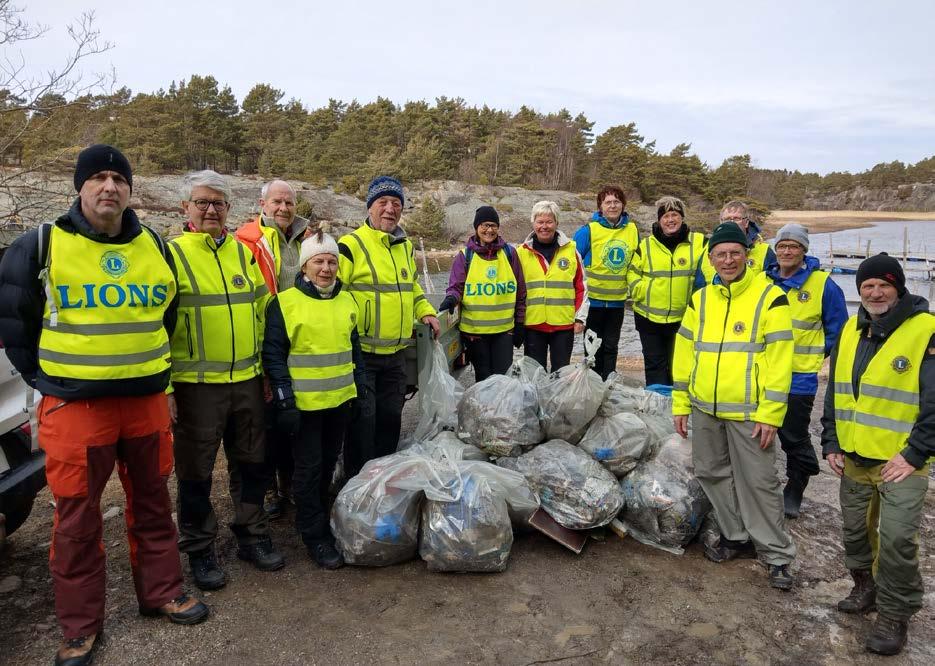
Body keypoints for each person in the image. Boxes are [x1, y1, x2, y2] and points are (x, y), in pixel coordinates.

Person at [0, 145, 208, 666]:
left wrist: (151, 372)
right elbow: (14, 322)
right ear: (80, 187)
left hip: (143, 403)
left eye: (118, 177)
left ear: (130, 189)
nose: (109, 186)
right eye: (97, 177)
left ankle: (161, 591)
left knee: (153, 500)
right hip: (75, 410)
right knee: (75, 519)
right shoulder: (42, 245)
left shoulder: (155, 246)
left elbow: (168, 313)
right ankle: (79, 626)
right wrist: (46, 380)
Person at [168, 170, 284, 591]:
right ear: (186, 209)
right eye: (202, 202)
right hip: (195, 387)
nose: (211, 209)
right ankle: (199, 548)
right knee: (196, 473)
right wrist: (166, 389)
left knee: (252, 462)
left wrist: (269, 370)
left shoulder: (243, 254)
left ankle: (251, 535)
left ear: (230, 209)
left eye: (218, 203)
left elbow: (264, 313)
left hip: (248, 381)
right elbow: (157, 327)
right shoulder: (172, 255)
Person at [820, 253, 935, 656]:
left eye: (883, 284)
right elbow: (836, 391)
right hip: (854, 457)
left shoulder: (926, 330)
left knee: (898, 539)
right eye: (867, 286)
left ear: (898, 287)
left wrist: (916, 453)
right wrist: (831, 441)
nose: (874, 291)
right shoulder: (852, 328)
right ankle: (864, 587)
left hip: (902, 463)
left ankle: (894, 614)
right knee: (854, 533)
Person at [672, 221, 796, 590]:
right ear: (710, 259)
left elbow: (780, 360)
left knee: (759, 482)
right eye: (721, 254)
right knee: (711, 473)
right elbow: (684, 353)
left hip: (749, 412)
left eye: (735, 253)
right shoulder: (701, 300)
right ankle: (735, 536)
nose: (728, 260)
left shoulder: (769, 296)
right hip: (705, 407)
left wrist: (770, 413)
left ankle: (776, 555)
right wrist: (680, 402)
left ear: (747, 256)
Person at [263, 230, 365, 569]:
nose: (326, 268)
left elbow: (355, 351)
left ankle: (320, 518)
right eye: (319, 261)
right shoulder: (285, 303)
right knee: (308, 470)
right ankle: (314, 535)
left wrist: (360, 389)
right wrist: (284, 401)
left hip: (339, 403)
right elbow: (274, 356)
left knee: (326, 466)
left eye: (332, 261)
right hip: (305, 408)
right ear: (305, 267)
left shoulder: (347, 301)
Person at [338, 176, 439, 478]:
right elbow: (334, 296)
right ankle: (354, 486)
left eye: (396, 203)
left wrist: (426, 312)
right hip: (362, 356)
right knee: (362, 423)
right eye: (382, 202)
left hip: (395, 354)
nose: (390, 209)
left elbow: (412, 288)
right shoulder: (350, 246)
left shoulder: (404, 246)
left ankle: (383, 482)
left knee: (390, 421)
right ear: (369, 207)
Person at [235, 180, 310, 519]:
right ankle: (265, 494)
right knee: (263, 424)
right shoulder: (247, 242)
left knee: (294, 419)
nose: (283, 208)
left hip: (303, 344)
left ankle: (291, 488)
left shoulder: (307, 240)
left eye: (289, 203)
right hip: (266, 341)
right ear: (262, 203)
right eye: (277, 201)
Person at [764, 223, 847, 518]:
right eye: (782, 246)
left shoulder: (823, 285)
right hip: (764, 372)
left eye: (793, 246)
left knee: (792, 434)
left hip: (799, 377)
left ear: (804, 250)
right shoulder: (764, 280)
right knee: (761, 431)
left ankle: (797, 483)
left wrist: (816, 354)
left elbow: (840, 331)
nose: (787, 251)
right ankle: (765, 484)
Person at [626, 196, 706, 391]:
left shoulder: (699, 242)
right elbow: (632, 272)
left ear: (682, 218)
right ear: (659, 220)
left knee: (679, 366)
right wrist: (643, 291)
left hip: (683, 318)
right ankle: (657, 409)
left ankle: (677, 410)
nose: (671, 220)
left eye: (675, 215)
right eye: (666, 216)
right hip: (648, 318)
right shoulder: (645, 245)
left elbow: (710, 273)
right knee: (654, 365)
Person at [438, 205, 526, 380]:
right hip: (475, 333)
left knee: (502, 378)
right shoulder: (465, 257)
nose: (489, 230)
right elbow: (456, 287)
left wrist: (520, 322)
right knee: (483, 378)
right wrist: (450, 299)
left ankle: (501, 409)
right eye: (485, 225)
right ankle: (483, 409)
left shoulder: (510, 254)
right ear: (476, 227)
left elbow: (521, 292)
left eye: (493, 225)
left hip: (504, 331)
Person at [572, 186, 638, 379]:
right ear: (600, 206)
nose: (612, 206)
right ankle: (591, 382)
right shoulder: (588, 231)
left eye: (616, 202)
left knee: (611, 346)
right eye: (608, 202)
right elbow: (573, 264)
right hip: (593, 302)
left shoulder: (632, 230)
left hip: (618, 301)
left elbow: (637, 261)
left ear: (623, 205)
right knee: (592, 347)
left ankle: (609, 381)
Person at [517, 201, 588, 372]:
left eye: (549, 222)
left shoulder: (571, 250)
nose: (544, 226)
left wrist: (580, 318)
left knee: (561, 373)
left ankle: (557, 400)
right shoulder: (521, 252)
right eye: (540, 222)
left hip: (563, 325)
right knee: (534, 373)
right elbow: (515, 290)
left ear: (557, 223)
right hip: (533, 324)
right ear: (533, 223)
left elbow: (582, 287)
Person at [695, 201, 776, 288]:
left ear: (746, 222)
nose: (732, 222)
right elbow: (699, 287)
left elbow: (774, 284)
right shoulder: (708, 250)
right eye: (727, 219)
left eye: (737, 218)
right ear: (721, 222)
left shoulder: (764, 251)